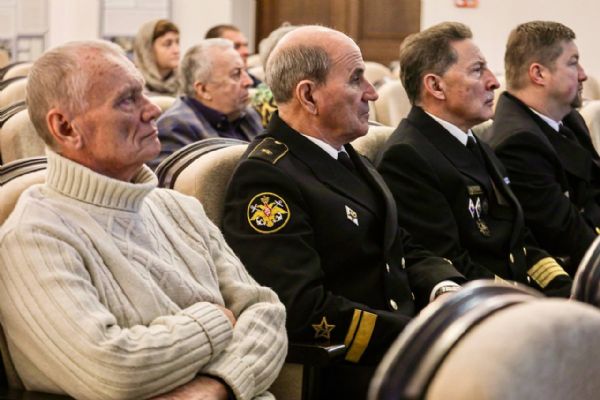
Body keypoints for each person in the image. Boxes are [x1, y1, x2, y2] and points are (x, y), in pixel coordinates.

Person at [0, 40, 287, 399]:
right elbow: (114, 369)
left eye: (144, 94)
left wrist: (219, 385)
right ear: (66, 128)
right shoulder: (34, 238)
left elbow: (266, 312)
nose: (152, 110)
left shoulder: (178, 208)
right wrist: (216, 321)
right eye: (127, 100)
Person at [222, 25, 465, 399]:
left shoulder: (342, 154)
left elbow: (397, 243)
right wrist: (417, 335)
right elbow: (300, 310)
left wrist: (443, 287)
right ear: (309, 95)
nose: (372, 92)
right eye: (355, 79)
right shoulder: (267, 179)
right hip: (346, 371)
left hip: (397, 351)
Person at [376, 22, 571, 297]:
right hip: (478, 306)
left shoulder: (472, 142)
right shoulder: (407, 158)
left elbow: (520, 240)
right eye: (477, 70)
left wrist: (564, 288)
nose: (494, 81)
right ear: (436, 86)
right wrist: (529, 300)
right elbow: (448, 263)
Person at [484, 21, 600, 272]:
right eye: (573, 63)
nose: (582, 74)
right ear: (538, 74)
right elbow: (569, 236)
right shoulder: (517, 143)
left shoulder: (569, 119)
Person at [149, 39, 262, 169]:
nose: (248, 82)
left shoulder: (247, 113)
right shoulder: (175, 129)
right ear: (203, 90)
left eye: (245, 71)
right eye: (236, 74)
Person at [133, 19, 180, 96]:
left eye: (177, 42)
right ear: (147, 49)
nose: (176, 50)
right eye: (167, 44)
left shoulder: (186, 84)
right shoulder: (132, 87)